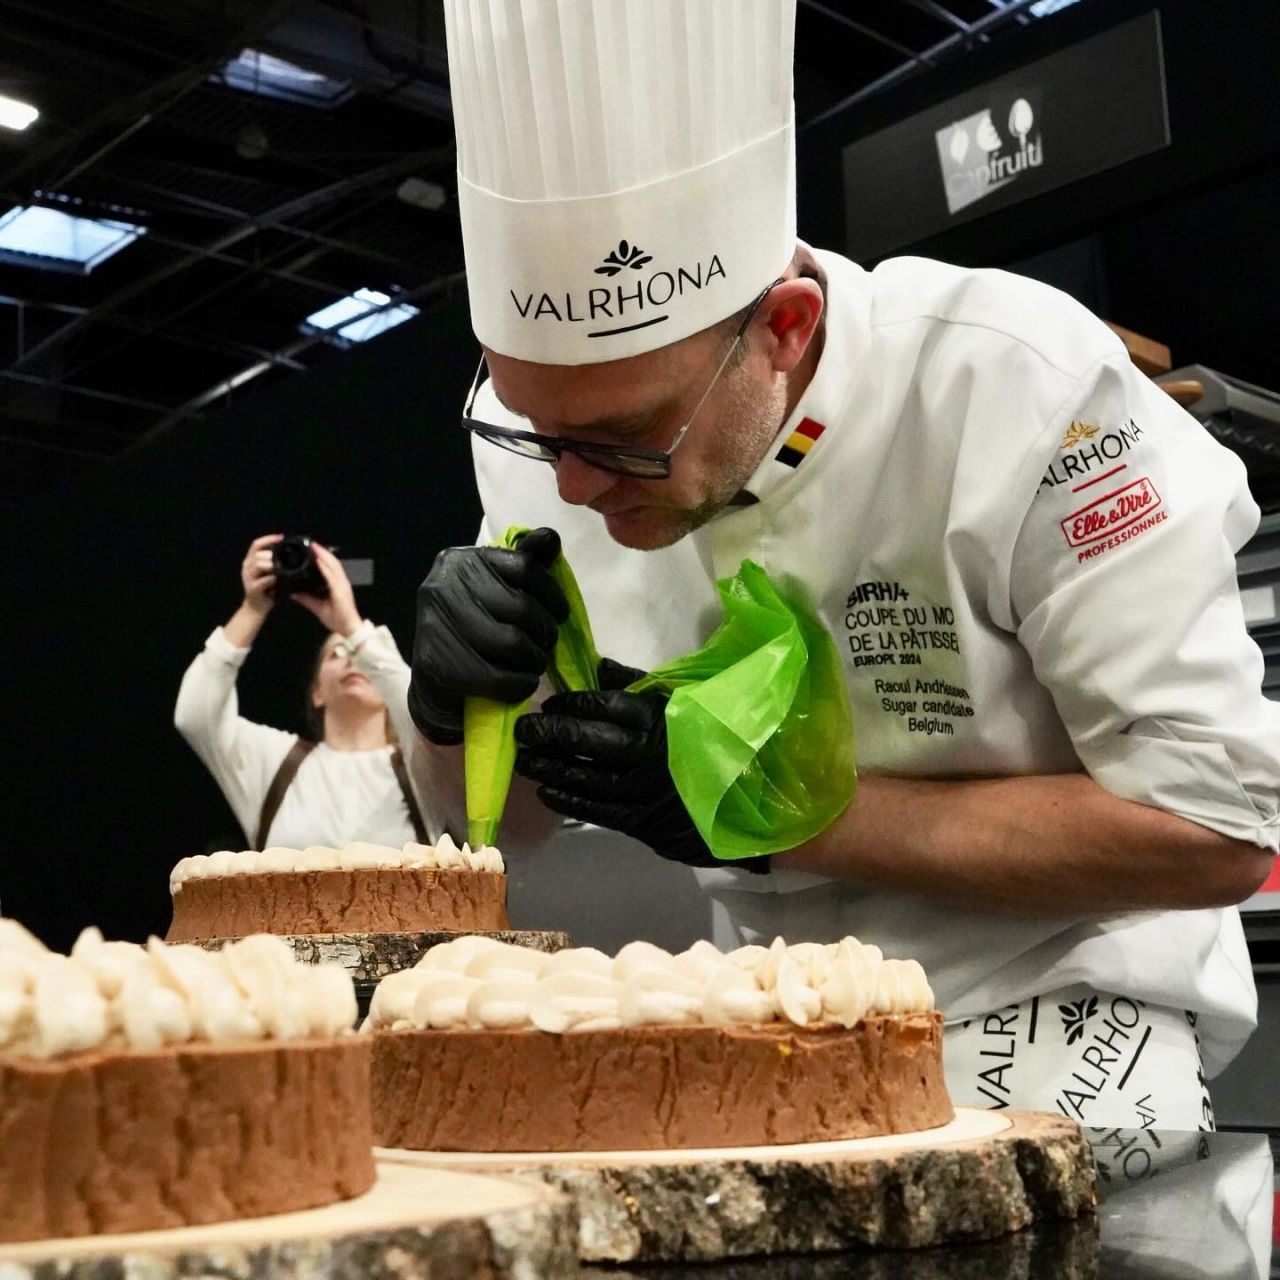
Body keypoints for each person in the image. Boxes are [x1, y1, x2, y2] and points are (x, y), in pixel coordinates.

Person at [408, 0, 1279, 1127]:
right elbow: (502, 827)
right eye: (534, 428)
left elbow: (1212, 832)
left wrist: (782, 818)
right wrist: (446, 707)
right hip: (762, 1024)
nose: (570, 487)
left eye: (626, 437)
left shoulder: (1014, 391)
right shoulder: (554, 453)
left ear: (783, 324)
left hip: (1068, 1021)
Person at [177, 533, 432, 850]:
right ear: (317, 693)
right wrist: (253, 607)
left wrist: (352, 626)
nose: (352, 659)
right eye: (337, 654)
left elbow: (424, 711)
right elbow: (195, 715)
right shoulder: (275, 762)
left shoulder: (423, 767)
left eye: (359, 654)